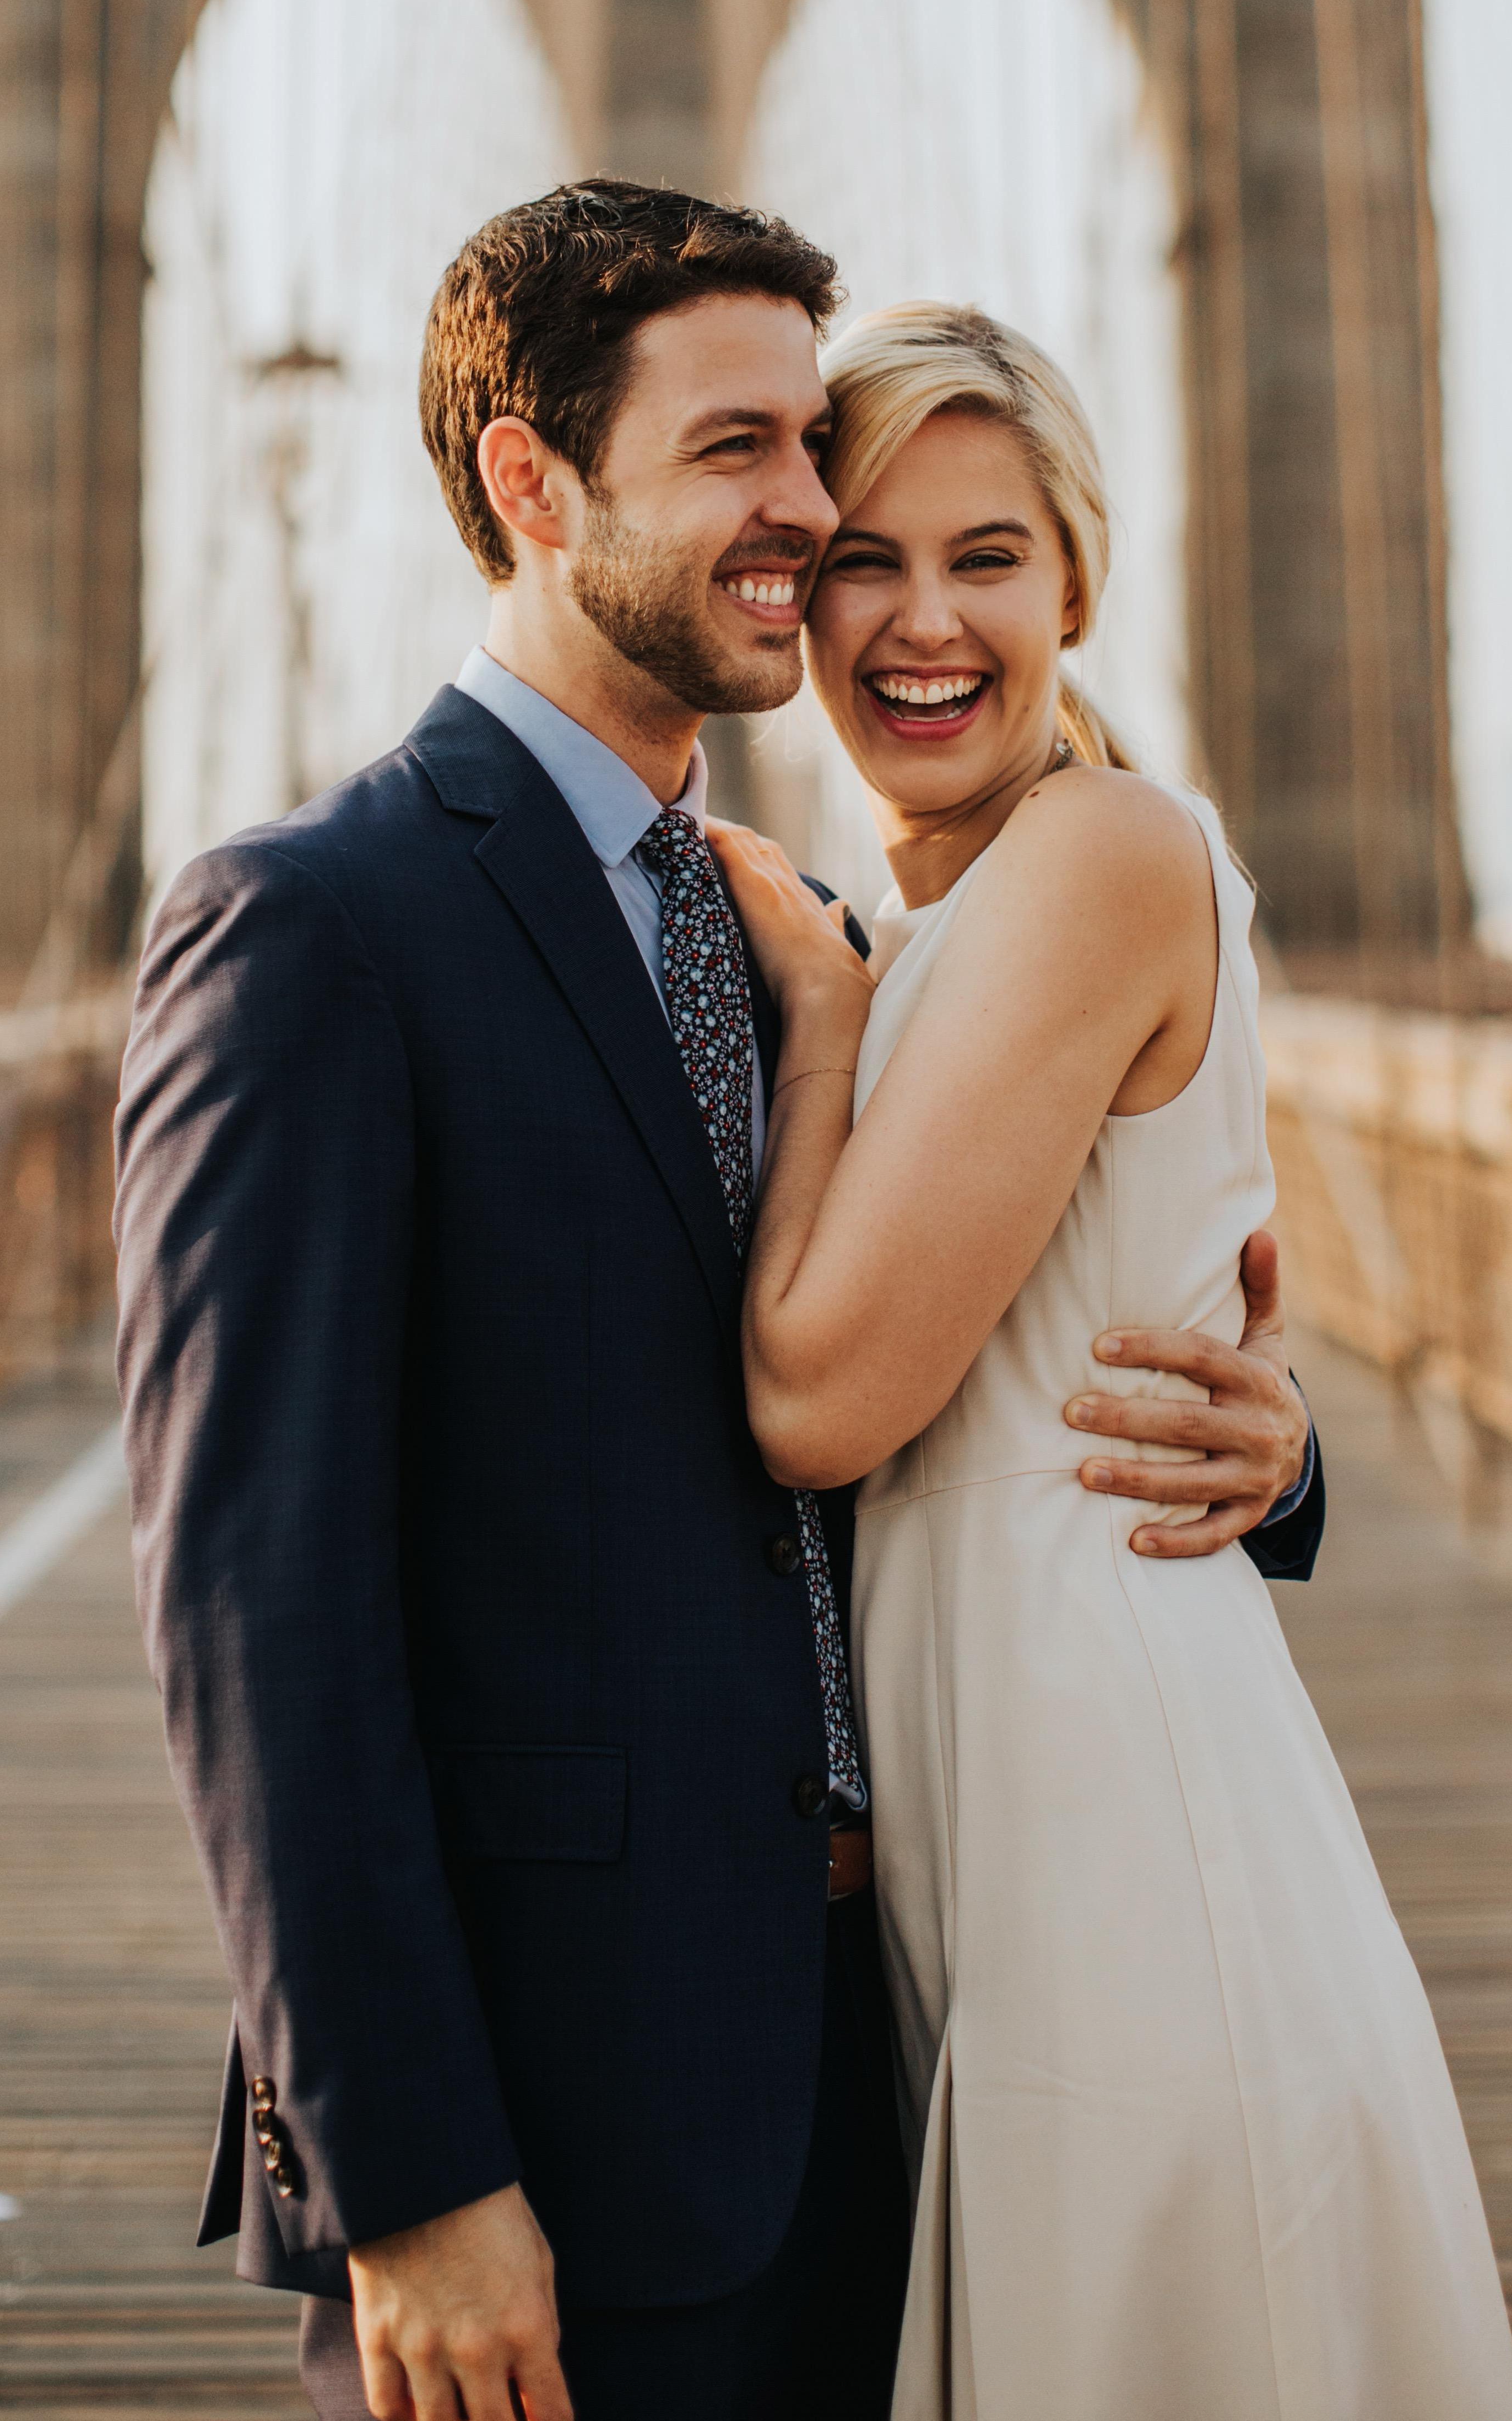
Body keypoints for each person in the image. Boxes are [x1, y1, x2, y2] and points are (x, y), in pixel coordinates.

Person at [113, 185, 1321, 2421]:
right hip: (546, 2147)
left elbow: (997, 1328)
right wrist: (406, 2173)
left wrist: (1276, 1448)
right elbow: (254, 1605)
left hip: (903, 2059)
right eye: (740, 453)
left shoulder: (810, 947)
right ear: (526, 480)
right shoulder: (314, 930)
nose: (806, 510)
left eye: (814, 455)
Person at [704, 301, 1512, 2419]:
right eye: (864, 559)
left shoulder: (1102, 857)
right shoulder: (922, 920)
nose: (921, 621)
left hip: (1110, 1774)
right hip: (998, 1760)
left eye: (988, 558)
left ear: (1079, 581)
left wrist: (813, 1031)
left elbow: (815, 1400)